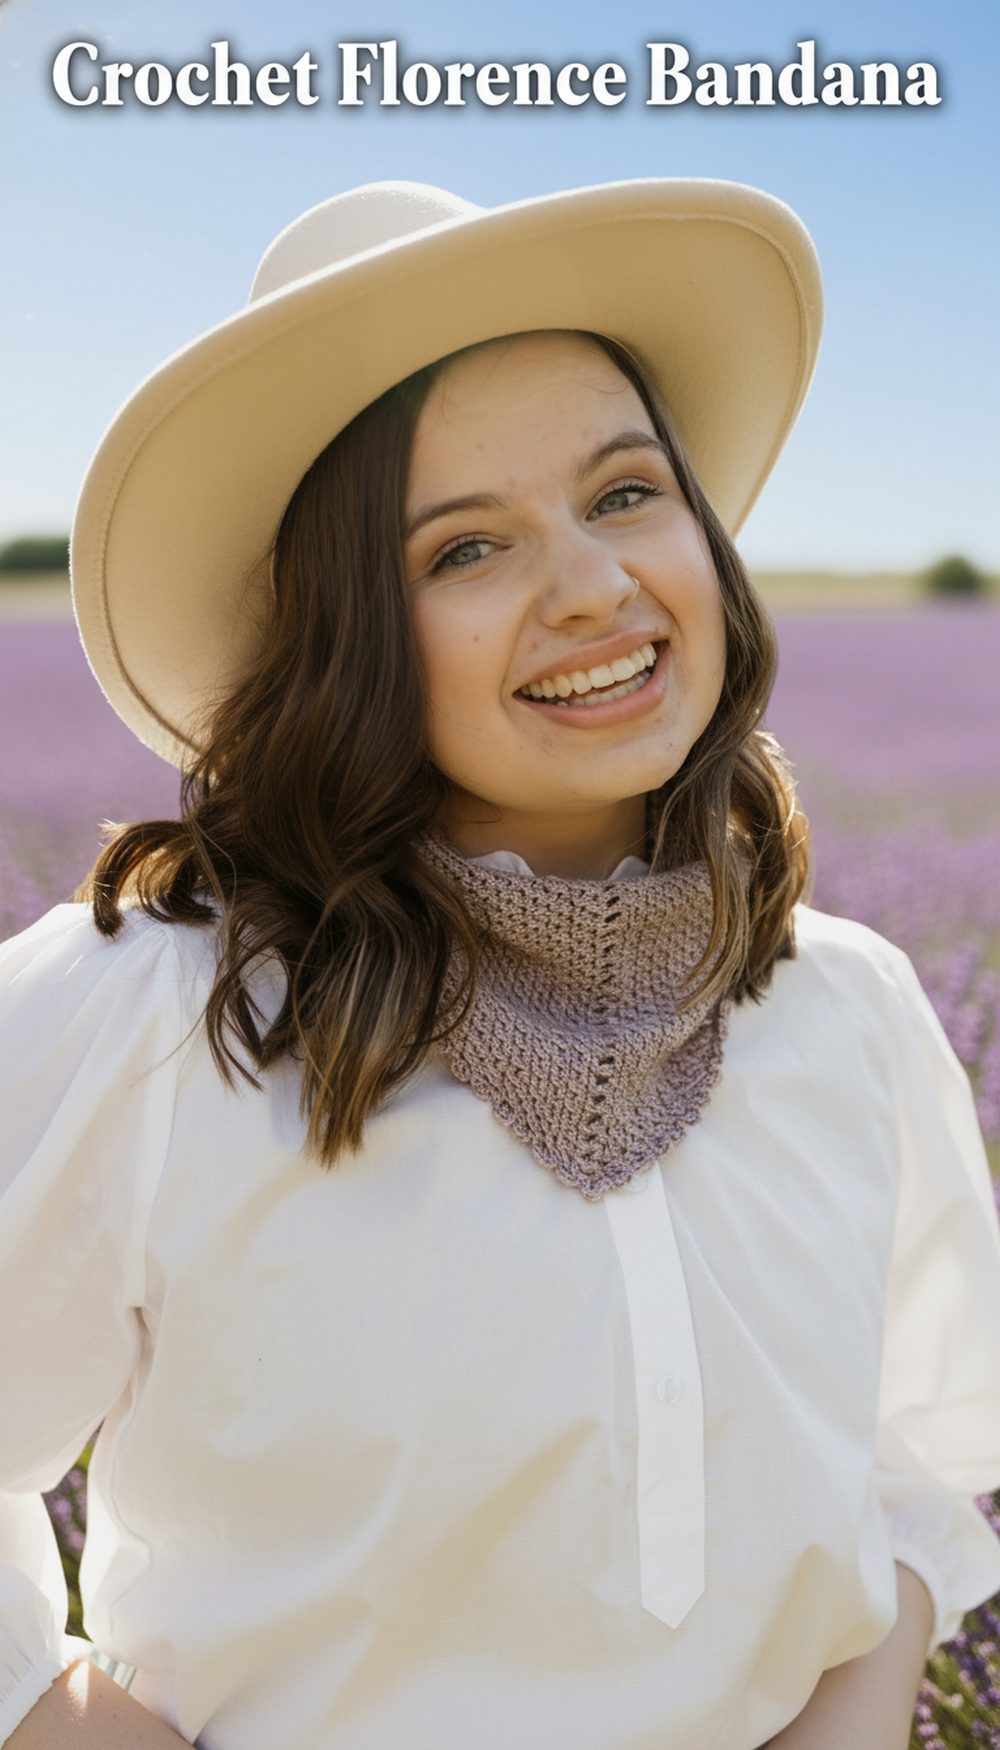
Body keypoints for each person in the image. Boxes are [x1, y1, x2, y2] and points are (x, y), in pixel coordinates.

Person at [1, 177, 999, 1750]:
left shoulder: (847, 1006)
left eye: (624, 493)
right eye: (465, 546)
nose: (594, 586)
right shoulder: (157, 1014)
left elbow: (921, 1459)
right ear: (340, 636)